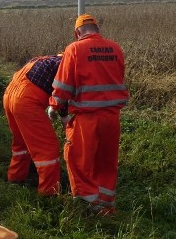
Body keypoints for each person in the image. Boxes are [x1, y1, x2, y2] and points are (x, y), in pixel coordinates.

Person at [48, 13, 128, 215]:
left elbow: (64, 84)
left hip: (87, 117)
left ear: (78, 32)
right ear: (97, 30)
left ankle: (87, 206)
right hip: (112, 117)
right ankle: (106, 205)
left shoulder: (74, 49)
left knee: (78, 159)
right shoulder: (115, 48)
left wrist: (54, 105)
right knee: (106, 161)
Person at [3, 55, 63, 196]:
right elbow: (63, 92)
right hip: (26, 101)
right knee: (48, 147)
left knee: (21, 143)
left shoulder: (43, 59)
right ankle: (48, 193)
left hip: (9, 96)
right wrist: (65, 116)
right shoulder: (64, 64)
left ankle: (16, 178)